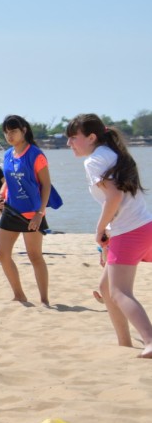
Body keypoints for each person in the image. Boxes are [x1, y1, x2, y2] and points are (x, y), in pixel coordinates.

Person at [67, 114, 152, 358]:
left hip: (131, 232)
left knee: (119, 292)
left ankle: (150, 340)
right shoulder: (113, 154)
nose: (69, 143)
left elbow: (114, 198)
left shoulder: (93, 161)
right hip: (143, 227)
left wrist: (99, 228)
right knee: (106, 288)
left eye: (74, 138)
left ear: (91, 137)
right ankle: (124, 343)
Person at [0, 114, 62, 306]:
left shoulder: (36, 154)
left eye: (13, 131)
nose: (10, 136)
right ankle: (19, 295)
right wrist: (1, 195)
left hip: (32, 213)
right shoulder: (8, 154)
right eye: (6, 132)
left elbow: (46, 185)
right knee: (2, 254)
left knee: (34, 256)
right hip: (10, 210)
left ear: (24, 130)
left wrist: (40, 213)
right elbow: (8, 179)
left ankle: (44, 300)